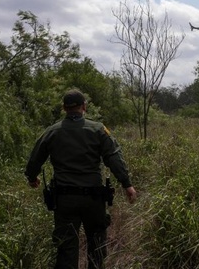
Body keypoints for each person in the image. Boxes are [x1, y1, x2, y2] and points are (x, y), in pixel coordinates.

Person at [24, 89, 137, 269]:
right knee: (97, 244)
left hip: (64, 199)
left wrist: (32, 177)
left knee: (66, 248)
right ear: (84, 106)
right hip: (93, 198)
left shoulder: (52, 131)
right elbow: (113, 157)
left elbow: (35, 157)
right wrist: (127, 184)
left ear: (64, 108)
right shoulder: (98, 129)